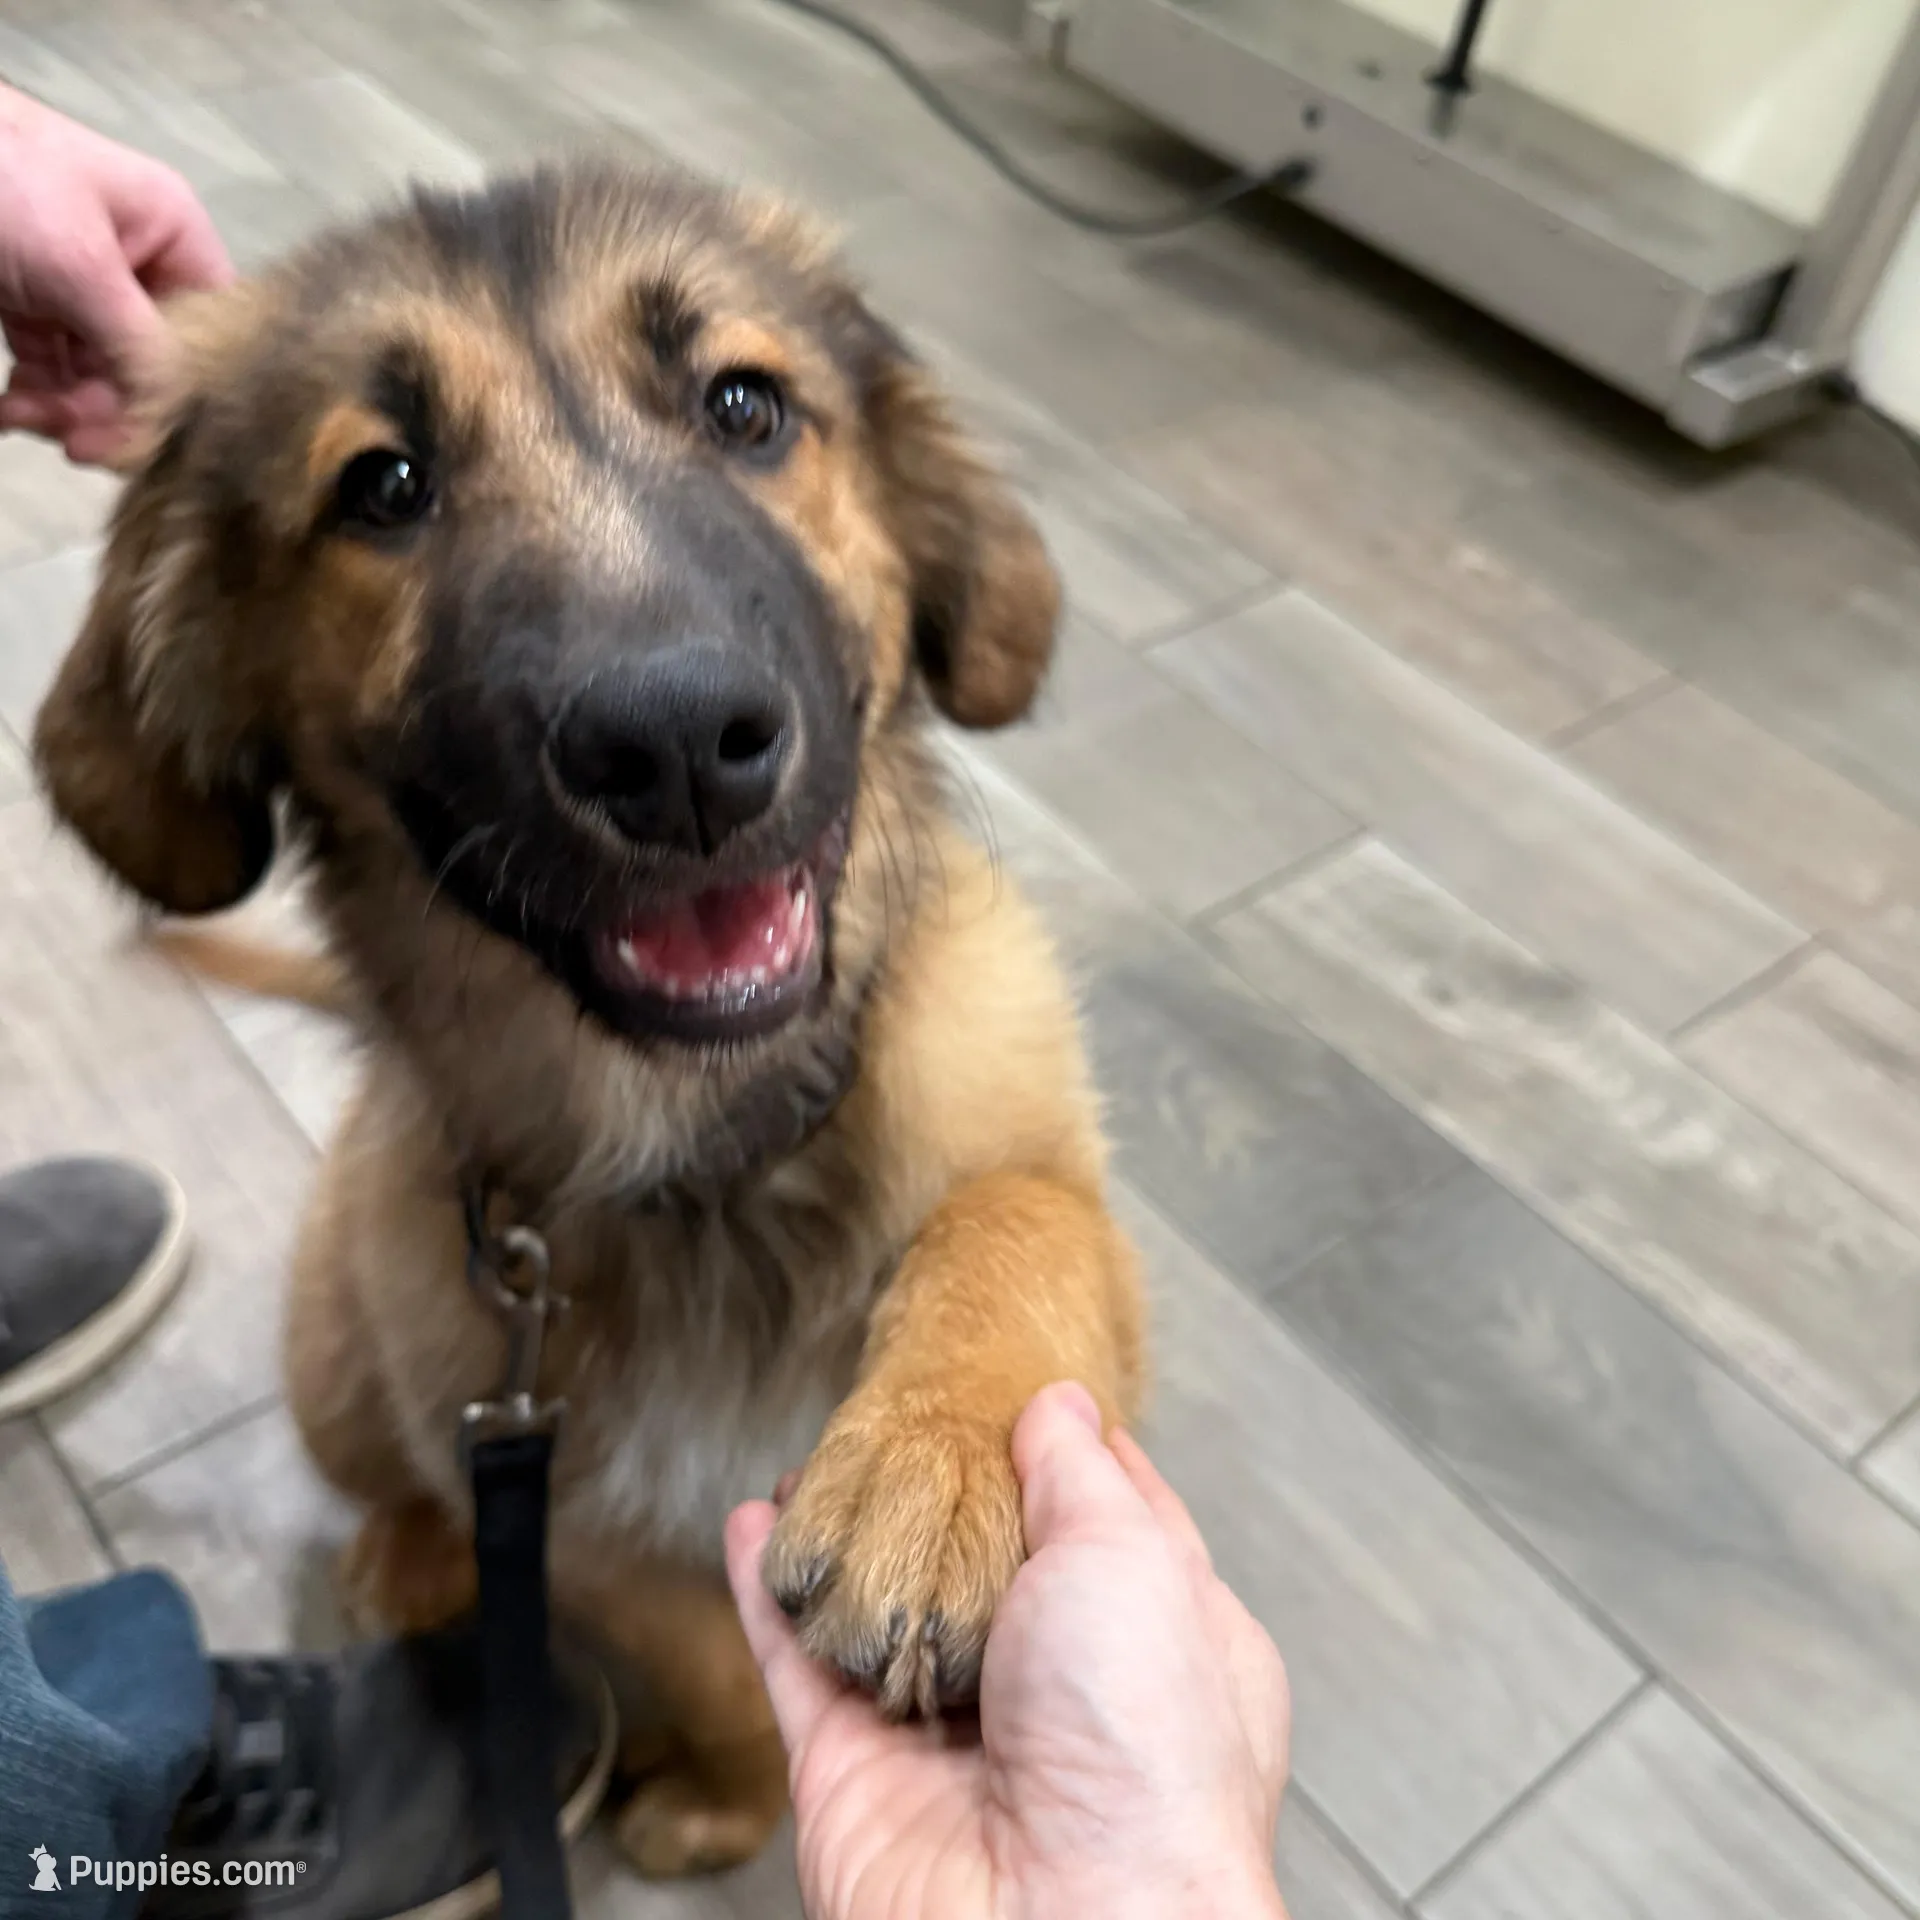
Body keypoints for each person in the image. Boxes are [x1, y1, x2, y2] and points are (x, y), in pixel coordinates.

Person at [0, 83, 1295, 1920]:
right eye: (387, 489)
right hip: (480, 1191)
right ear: (220, 649)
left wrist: (985, 1337)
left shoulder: (974, 1028)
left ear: (904, 502)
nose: (667, 684)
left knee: (1012, 1247)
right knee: (355, 1417)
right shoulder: (427, 1268)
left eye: (744, 409)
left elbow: (1052, 1237)